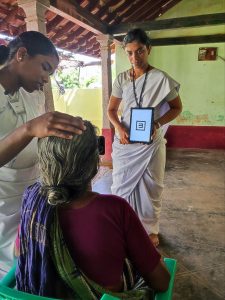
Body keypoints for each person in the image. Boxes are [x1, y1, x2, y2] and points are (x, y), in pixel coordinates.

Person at [15, 121, 170, 299]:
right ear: (95, 162)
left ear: (44, 162)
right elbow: (161, 281)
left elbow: (19, 253)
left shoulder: (33, 204)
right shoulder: (114, 209)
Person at [0, 31, 85, 277]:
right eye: (45, 68)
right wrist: (29, 129)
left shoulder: (33, 95)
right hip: (3, 198)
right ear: (22, 54)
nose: (46, 79)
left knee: (32, 258)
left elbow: (39, 136)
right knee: (8, 269)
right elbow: (30, 131)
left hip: (33, 192)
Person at [107, 28, 182, 247]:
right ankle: (123, 225)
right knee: (121, 186)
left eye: (139, 51)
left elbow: (177, 107)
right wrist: (120, 129)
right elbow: (111, 110)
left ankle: (150, 230)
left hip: (151, 143)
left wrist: (157, 124)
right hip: (126, 142)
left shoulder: (161, 79)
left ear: (148, 49)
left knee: (152, 187)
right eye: (129, 53)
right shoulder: (122, 79)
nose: (134, 58)